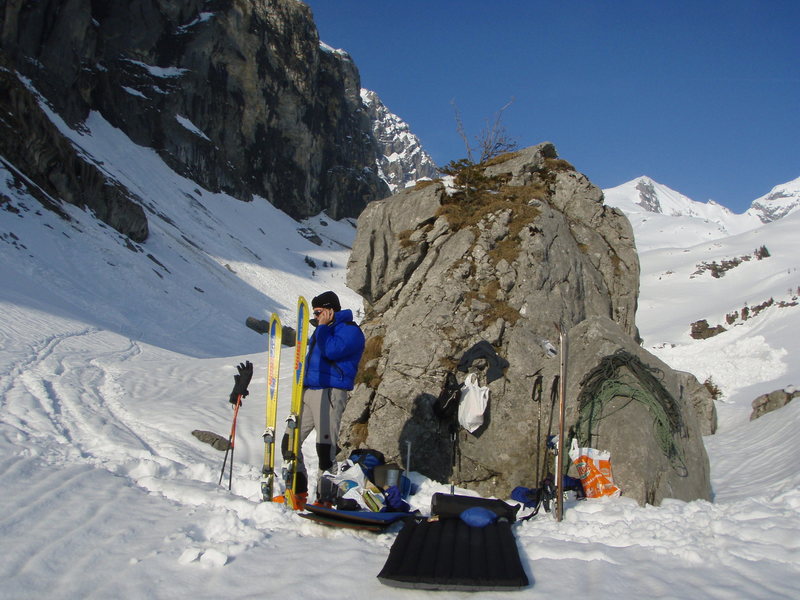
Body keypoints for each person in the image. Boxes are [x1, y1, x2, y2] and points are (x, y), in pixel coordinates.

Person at [278, 290, 365, 506]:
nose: (316, 318)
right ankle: (298, 493)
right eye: (315, 314)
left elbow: (332, 352)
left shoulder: (350, 331)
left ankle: (325, 497)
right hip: (309, 391)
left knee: (325, 447)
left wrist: (324, 328)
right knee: (289, 442)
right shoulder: (323, 330)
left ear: (329, 310)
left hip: (331, 391)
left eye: (318, 313)